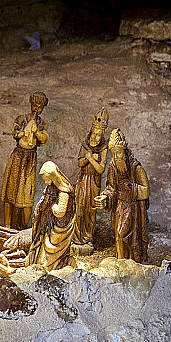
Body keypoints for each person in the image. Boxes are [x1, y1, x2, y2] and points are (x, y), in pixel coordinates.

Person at [94, 129, 150, 263]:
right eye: (113, 153)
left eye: (119, 152)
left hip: (133, 208)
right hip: (120, 206)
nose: (117, 156)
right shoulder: (113, 166)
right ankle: (122, 261)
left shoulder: (136, 168)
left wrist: (131, 188)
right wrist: (105, 197)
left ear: (124, 151)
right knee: (119, 236)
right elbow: (111, 188)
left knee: (123, 234)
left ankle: (132, 262)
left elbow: (146, 191)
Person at [1, 92, 49, 229]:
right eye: (34, 105)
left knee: (27, 195)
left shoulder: (40, 123)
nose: (36, 109)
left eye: (40, 107)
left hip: (30, 159)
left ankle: (22, 227)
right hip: (18, 156)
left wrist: (36, 132)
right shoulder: (22, 119)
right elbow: (15, 132)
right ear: (31, 104)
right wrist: (25, 131)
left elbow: (45, 139)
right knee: (10, 192)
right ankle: (7, 226)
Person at [27, 161, 76, 271]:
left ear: (53, 176)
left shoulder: (64, 191)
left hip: (60, 226)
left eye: (46, 178)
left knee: (51, 249)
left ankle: (53, 265)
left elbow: (60, 212)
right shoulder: (52, 186)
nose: (45, 181)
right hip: (50, 224)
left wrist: (51, 205)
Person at [72, 107, 109, 252]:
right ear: (92, 131)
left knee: (90, 209)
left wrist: (90, 158)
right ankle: (77, 237)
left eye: (100, 133)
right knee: (80, 206)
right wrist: (88, 157)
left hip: (94, 181)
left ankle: (87, 238)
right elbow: (79, 162)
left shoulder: (104, 148)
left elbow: (100, 169)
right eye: (95, 132)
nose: (96, 135)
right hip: (83, 179)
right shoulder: (85, 144)